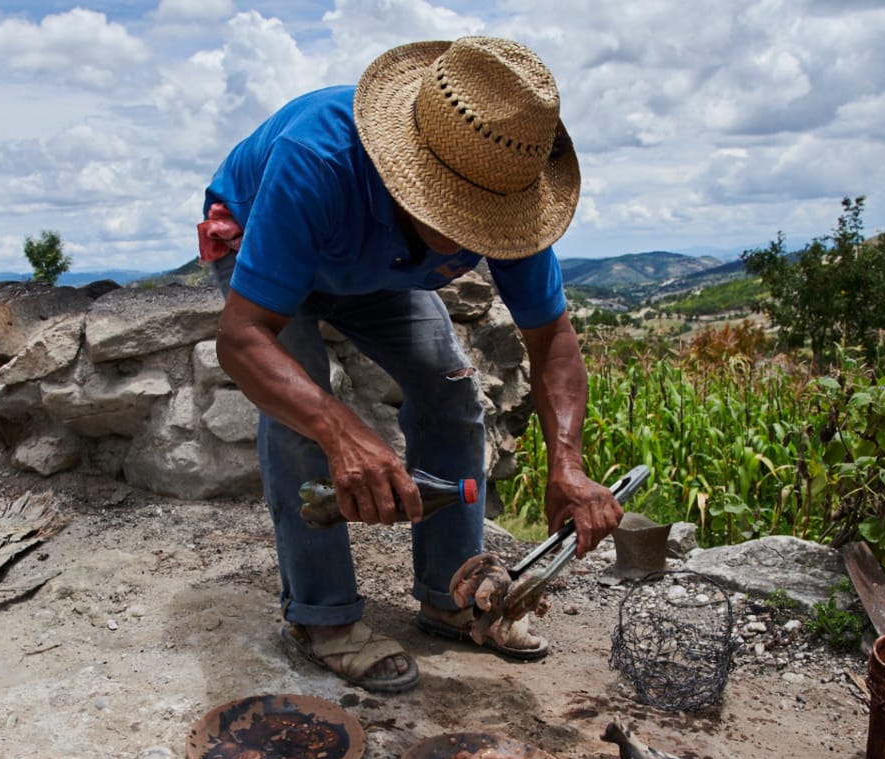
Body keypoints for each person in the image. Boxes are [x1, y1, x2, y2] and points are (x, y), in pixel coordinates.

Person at [201, 35, 623, 694]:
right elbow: (243, 336)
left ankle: (451, 593)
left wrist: (566, 460)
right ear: (413, 172)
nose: (475, 237)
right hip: (268, 240)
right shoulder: (318, 159)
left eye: (487, 222)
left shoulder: (505, 179)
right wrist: (340, 431)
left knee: (453, 389)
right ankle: (324, 617)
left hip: (369, 269)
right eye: (458, 214)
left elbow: (553, 338)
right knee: (301, 411)